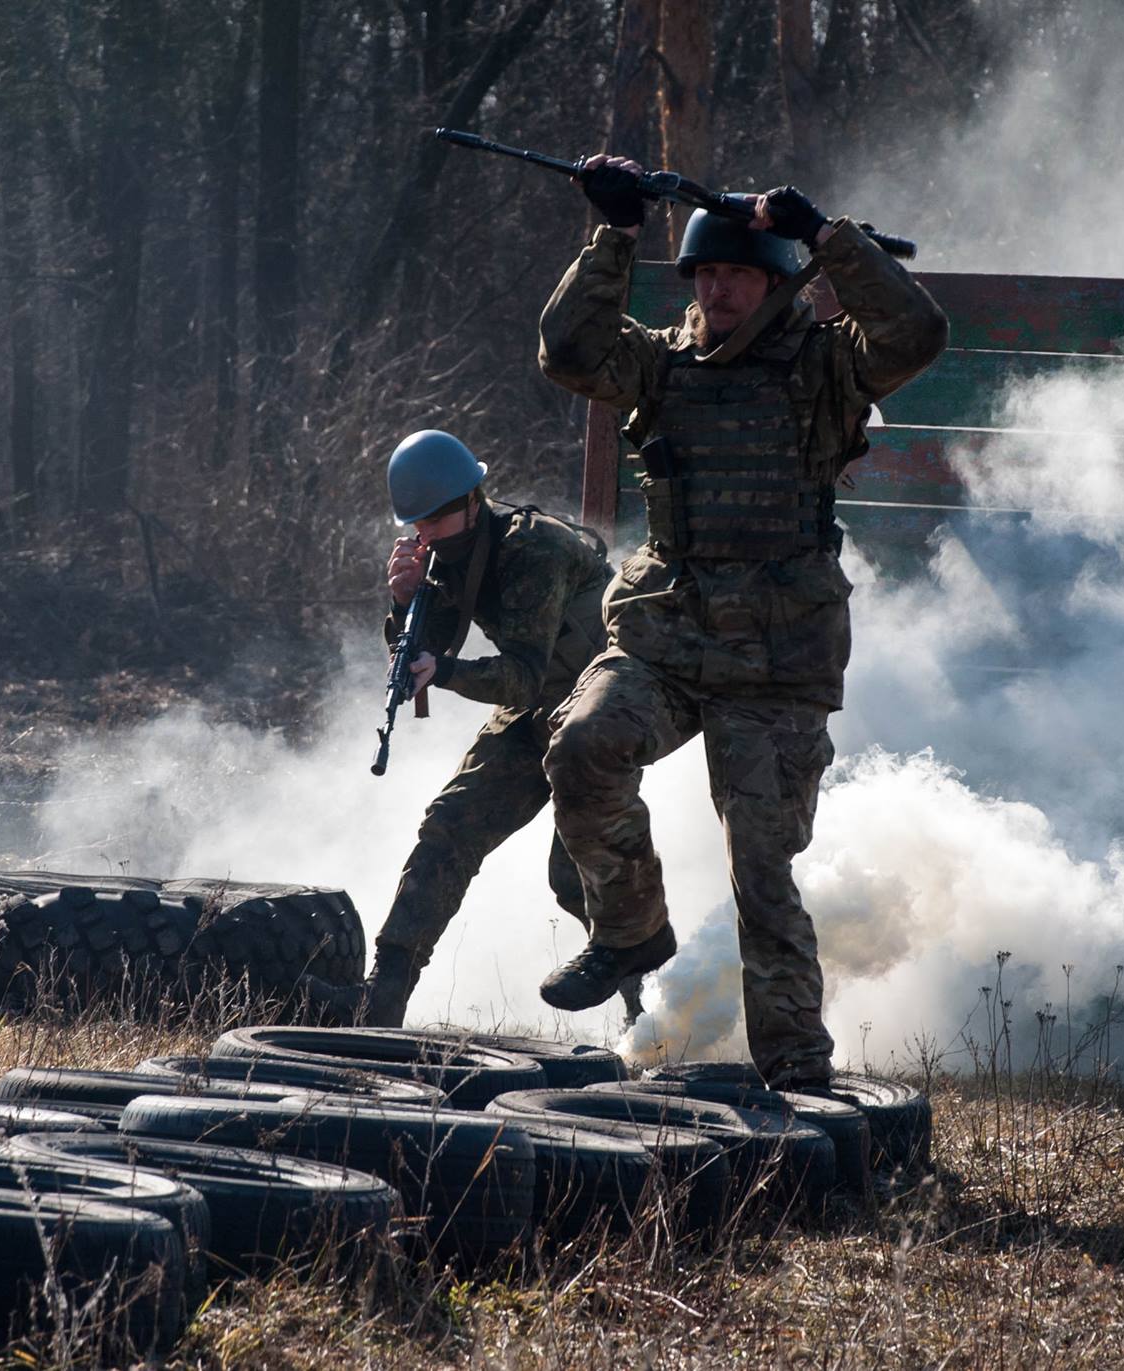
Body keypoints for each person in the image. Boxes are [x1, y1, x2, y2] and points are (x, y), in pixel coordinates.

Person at [532, 156, 949, 1089]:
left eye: (737, 275)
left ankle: (797, 1068)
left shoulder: (825, 368)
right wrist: (613, 235)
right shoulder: (662, 364)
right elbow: (567, 351)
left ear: (773, 282)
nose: (717, 291)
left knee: (762, 873)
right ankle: (631, 930)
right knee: (583, 745)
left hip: (776, 658)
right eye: (705, 276)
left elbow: (917, 330)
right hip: (667, 636)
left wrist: (827, 237)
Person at [306, 429, 616, 1027]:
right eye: (420, 522)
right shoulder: (448, 557)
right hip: (538, 707)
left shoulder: (534, 552)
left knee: (577, 875)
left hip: (602, 709)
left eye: (440, 517)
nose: (428, 532)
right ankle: (384, 994)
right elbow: (421, 649)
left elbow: (520, 674)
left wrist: (443, 671)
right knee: (449, 827)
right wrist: (403, 601)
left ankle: (651, 1014)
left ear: (474, 500)